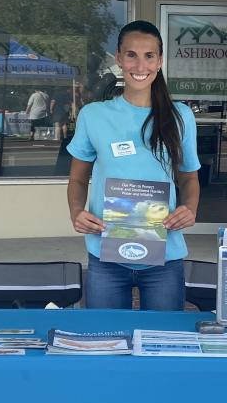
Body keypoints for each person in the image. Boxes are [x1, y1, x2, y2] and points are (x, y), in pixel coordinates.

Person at [66, 20, 201, 310]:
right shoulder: (94, 115)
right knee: (105, 341)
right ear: (118, 58)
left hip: (164, 255)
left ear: (160, 61)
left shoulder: (180, 116)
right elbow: (77, 179)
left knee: (163, 343)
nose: (140, 65)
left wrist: (190, 208)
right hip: (106, 254)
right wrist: (76, 211)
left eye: (149, 56)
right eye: (131, 55)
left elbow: (189, 177)